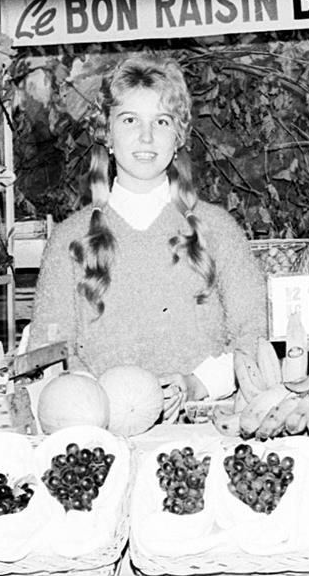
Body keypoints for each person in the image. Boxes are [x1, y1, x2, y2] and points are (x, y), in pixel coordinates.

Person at [33, 56, 267, 413]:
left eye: (162, 121)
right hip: (97, 428)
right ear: (107, 133)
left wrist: (198, 384)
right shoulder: (69, 239)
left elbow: (255, 332)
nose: (146, 136)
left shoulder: (219, 230)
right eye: (130, 120)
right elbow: (48, 351)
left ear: (178, 136)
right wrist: (99, 398)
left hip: (207, 426)